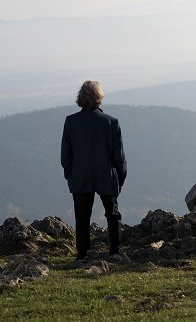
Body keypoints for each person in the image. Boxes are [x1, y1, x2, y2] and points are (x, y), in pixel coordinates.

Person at [60, 81, 127, 260]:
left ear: (80, 98)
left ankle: (82, 254)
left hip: (80, 177)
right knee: (113, 215)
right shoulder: (111, 122)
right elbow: (119, 157)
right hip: (106, 176)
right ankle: (115, 251)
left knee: (82, 218)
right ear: (99, 98)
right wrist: (120, 179)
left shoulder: (71, 122)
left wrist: (70, 175)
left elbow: (65, 155)